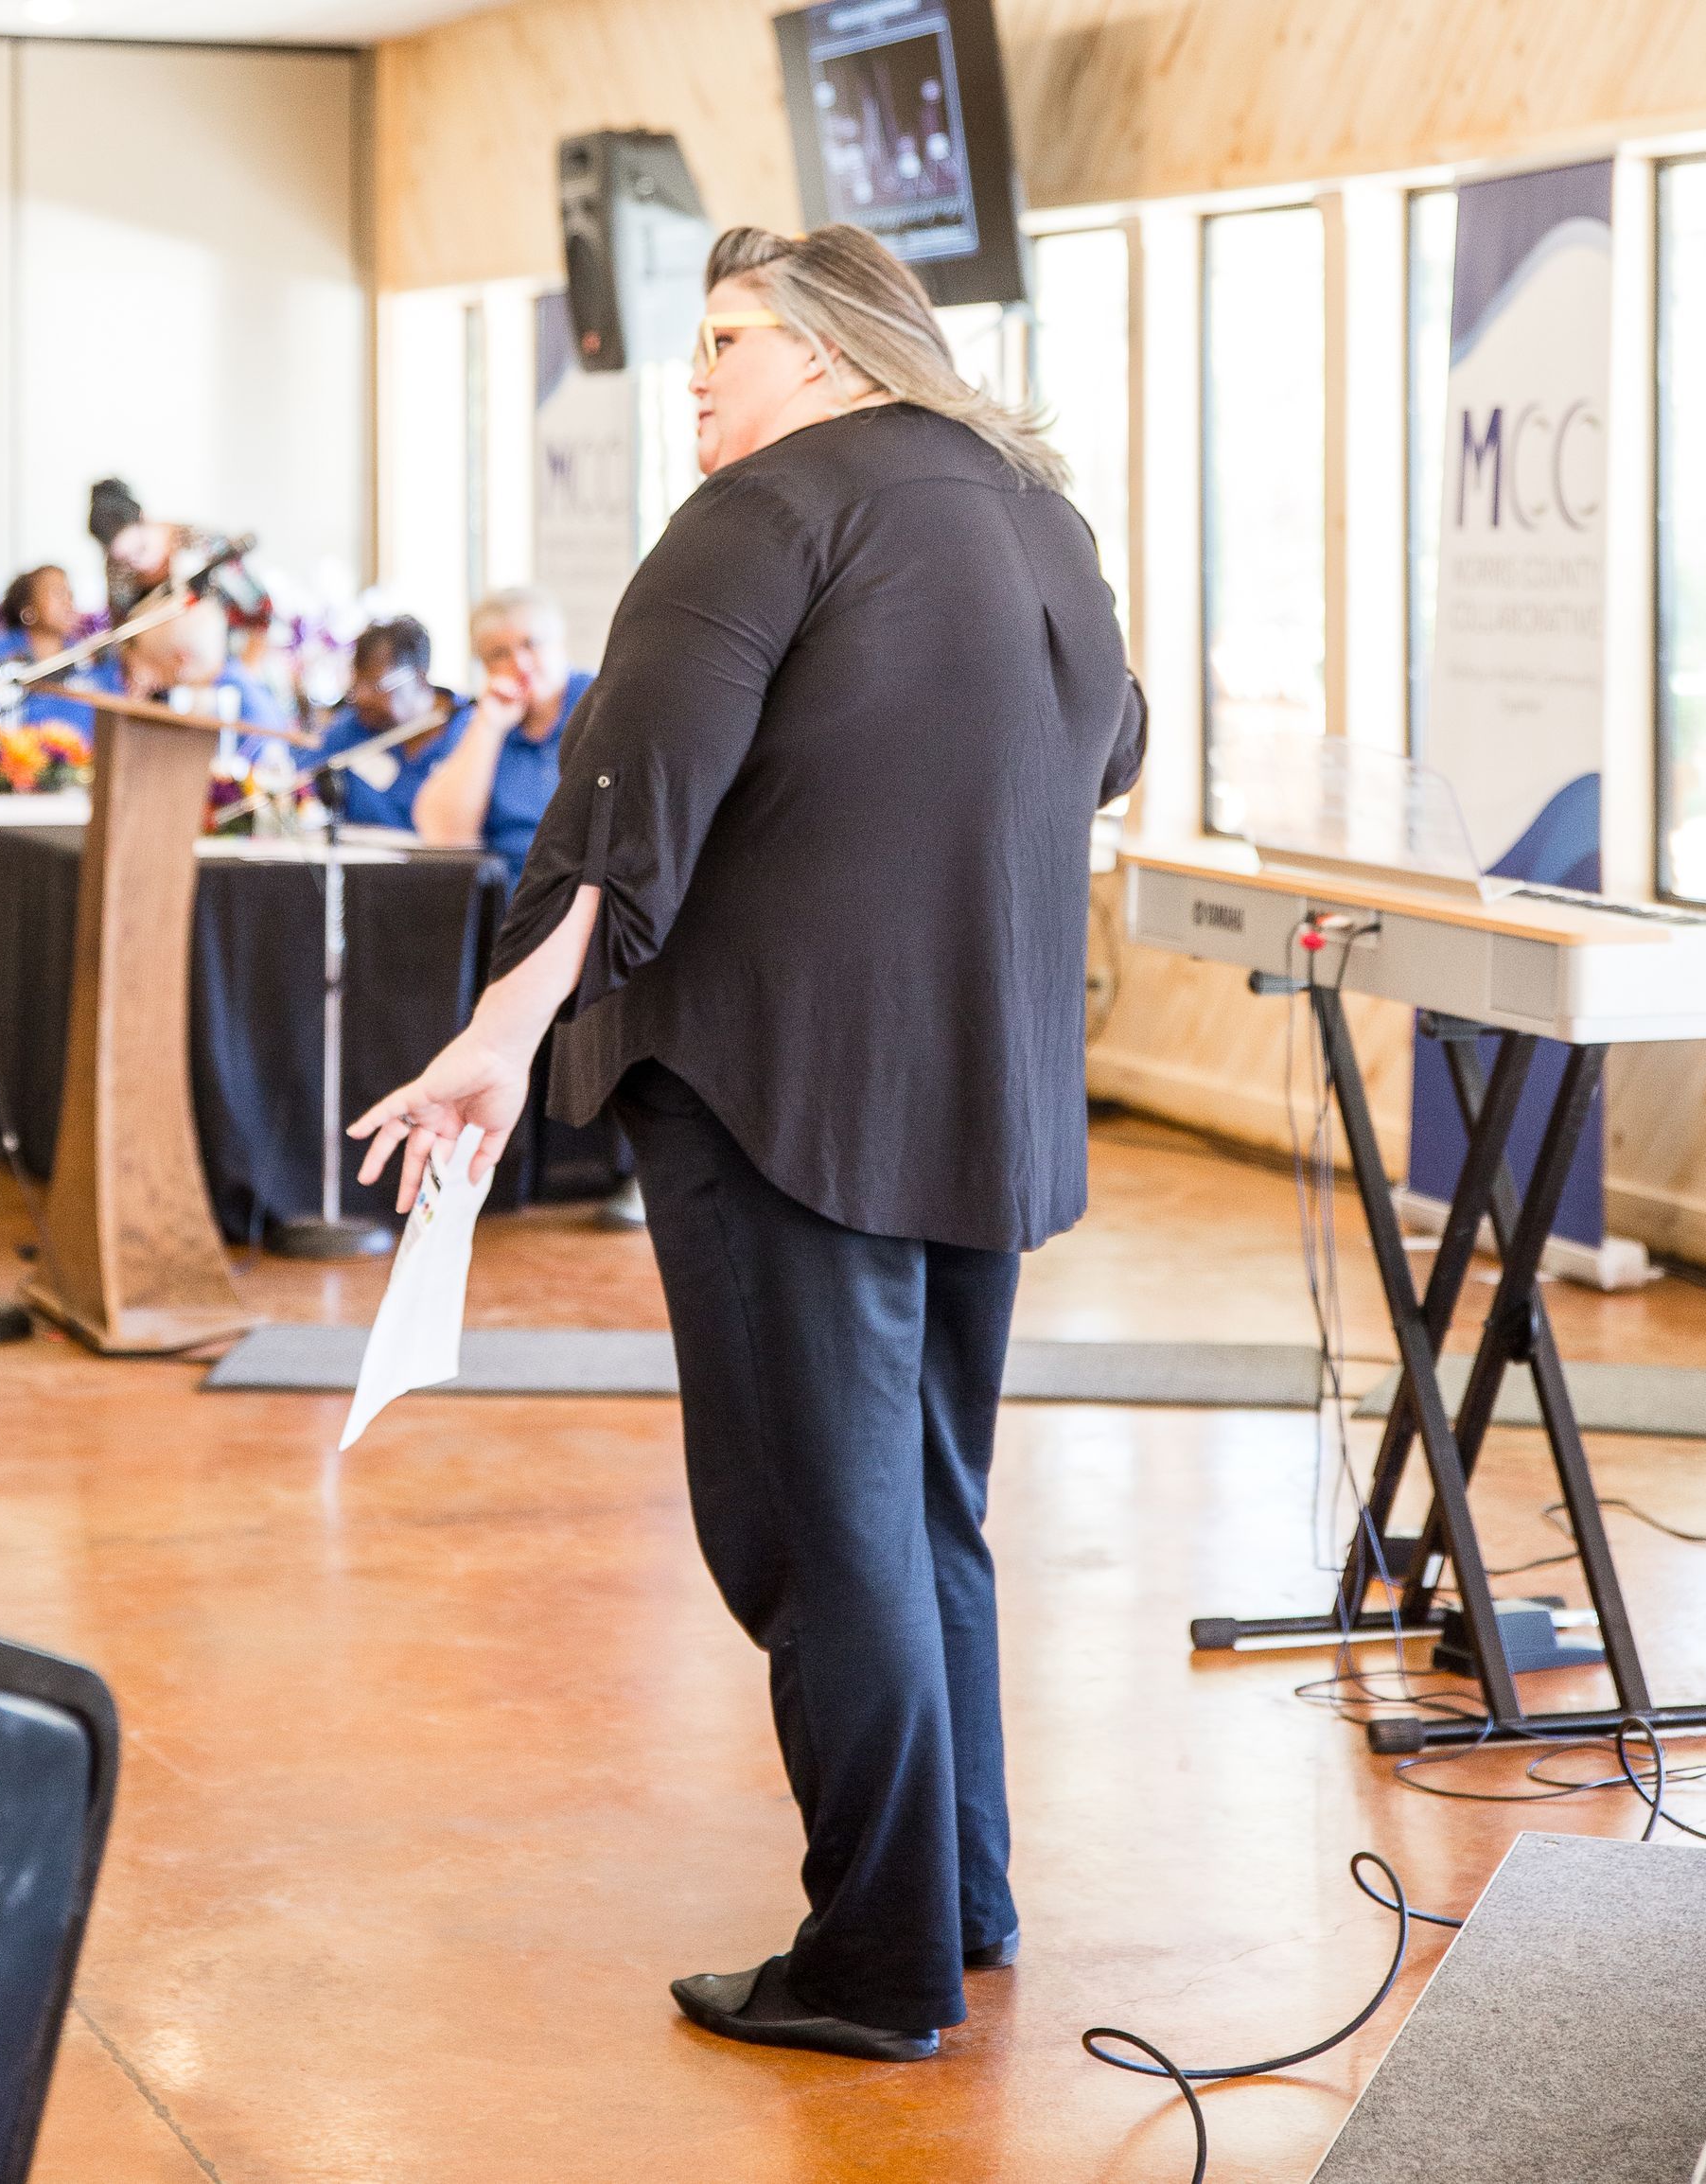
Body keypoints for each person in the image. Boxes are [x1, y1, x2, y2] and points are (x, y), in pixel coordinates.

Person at [350, 224, 1145, 2064]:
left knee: (815, 1527)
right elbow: (1109, 747)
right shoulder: (1041, 518)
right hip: (984, 1099)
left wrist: (493, 1032)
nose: (694, 377)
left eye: (726, 339)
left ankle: (873, 1962)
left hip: (777, 1091)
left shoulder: (763, 513)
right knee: (930, 1508)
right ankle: (959, 1897)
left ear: (842, 348)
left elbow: (626, 808)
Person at [412, 590, 593, 884]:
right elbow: (444, 836)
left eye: (531, 644)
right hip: (506, 901)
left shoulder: (600, 705)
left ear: (560, 643)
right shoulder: (479, 722)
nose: (520, 664)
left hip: (587, 894)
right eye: (499, 654)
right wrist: (489, 727)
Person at [76, 597, 288, 761]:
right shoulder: (235, 684)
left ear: (181, 660)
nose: (142, 682)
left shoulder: (244, 711)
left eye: (147, 665)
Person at [312, 617, 472, 832]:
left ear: (418, 676)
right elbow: (300, 785)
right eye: (356, 684)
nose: (361, 697)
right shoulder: (351, 730)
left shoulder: (472, 730)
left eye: (375, 685)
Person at [0, 566, 79, 673]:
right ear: (28, 611)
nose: (68, 602)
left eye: (70, 595)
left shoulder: (81, 657)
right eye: (58, 593)